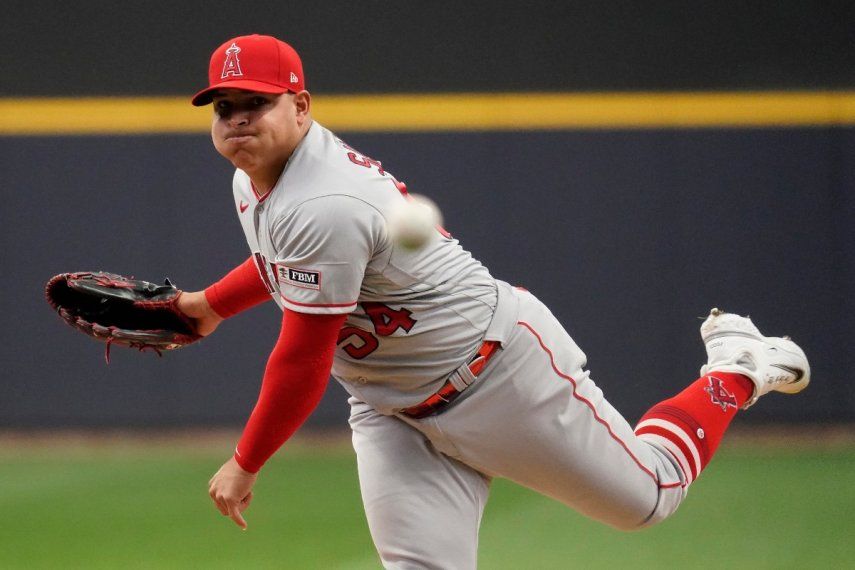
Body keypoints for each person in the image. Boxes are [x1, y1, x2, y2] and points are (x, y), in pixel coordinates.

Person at [175, 34, 810, 568]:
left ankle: (736, 369)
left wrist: (245, 461)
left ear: (301, 106)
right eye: (223, 106)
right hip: (393, 410)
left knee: (648, 498)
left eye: (255, 103)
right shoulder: (256, 178)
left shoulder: (325, 202)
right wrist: (207, 306)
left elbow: (303, 357)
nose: (236, 118)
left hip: (498, 374)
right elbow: (284, 265)